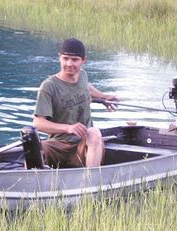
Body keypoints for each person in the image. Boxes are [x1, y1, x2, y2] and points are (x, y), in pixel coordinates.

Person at [33, 38, 118, 168]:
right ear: (59, 58)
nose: (69, 64)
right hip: (59, 144)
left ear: (83, 60)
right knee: (34, 149)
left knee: (94, 132)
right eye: (65, 58)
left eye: (75, 60)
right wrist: (68, 128)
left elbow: (86, 87)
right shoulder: (48, 86)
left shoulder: (82, 75)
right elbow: (38, 123)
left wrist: (104, 97)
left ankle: (91, 181)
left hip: (83, 145)